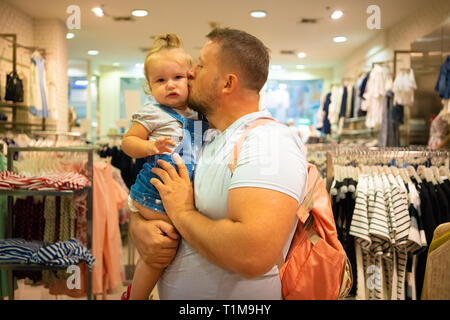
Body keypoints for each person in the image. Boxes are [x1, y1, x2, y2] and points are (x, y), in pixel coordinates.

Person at [129, 28, 308, 299]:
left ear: (227, 83)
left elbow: (252, 255)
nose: (190, 73)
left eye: (200, 66)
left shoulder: (269, 142)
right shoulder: (209, 138)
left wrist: (181, 212)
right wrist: (140, 228)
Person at [121, 34, 208, 300]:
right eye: (160, 80)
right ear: (149, 86)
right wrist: (148, 147)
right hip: (155, 192)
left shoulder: (198, 113)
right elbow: (128, 142)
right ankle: (136, 295)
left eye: (178, 78)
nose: (170, 85)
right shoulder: (153, 113)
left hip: (177, 190)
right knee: (162, 249)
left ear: (191, 78)